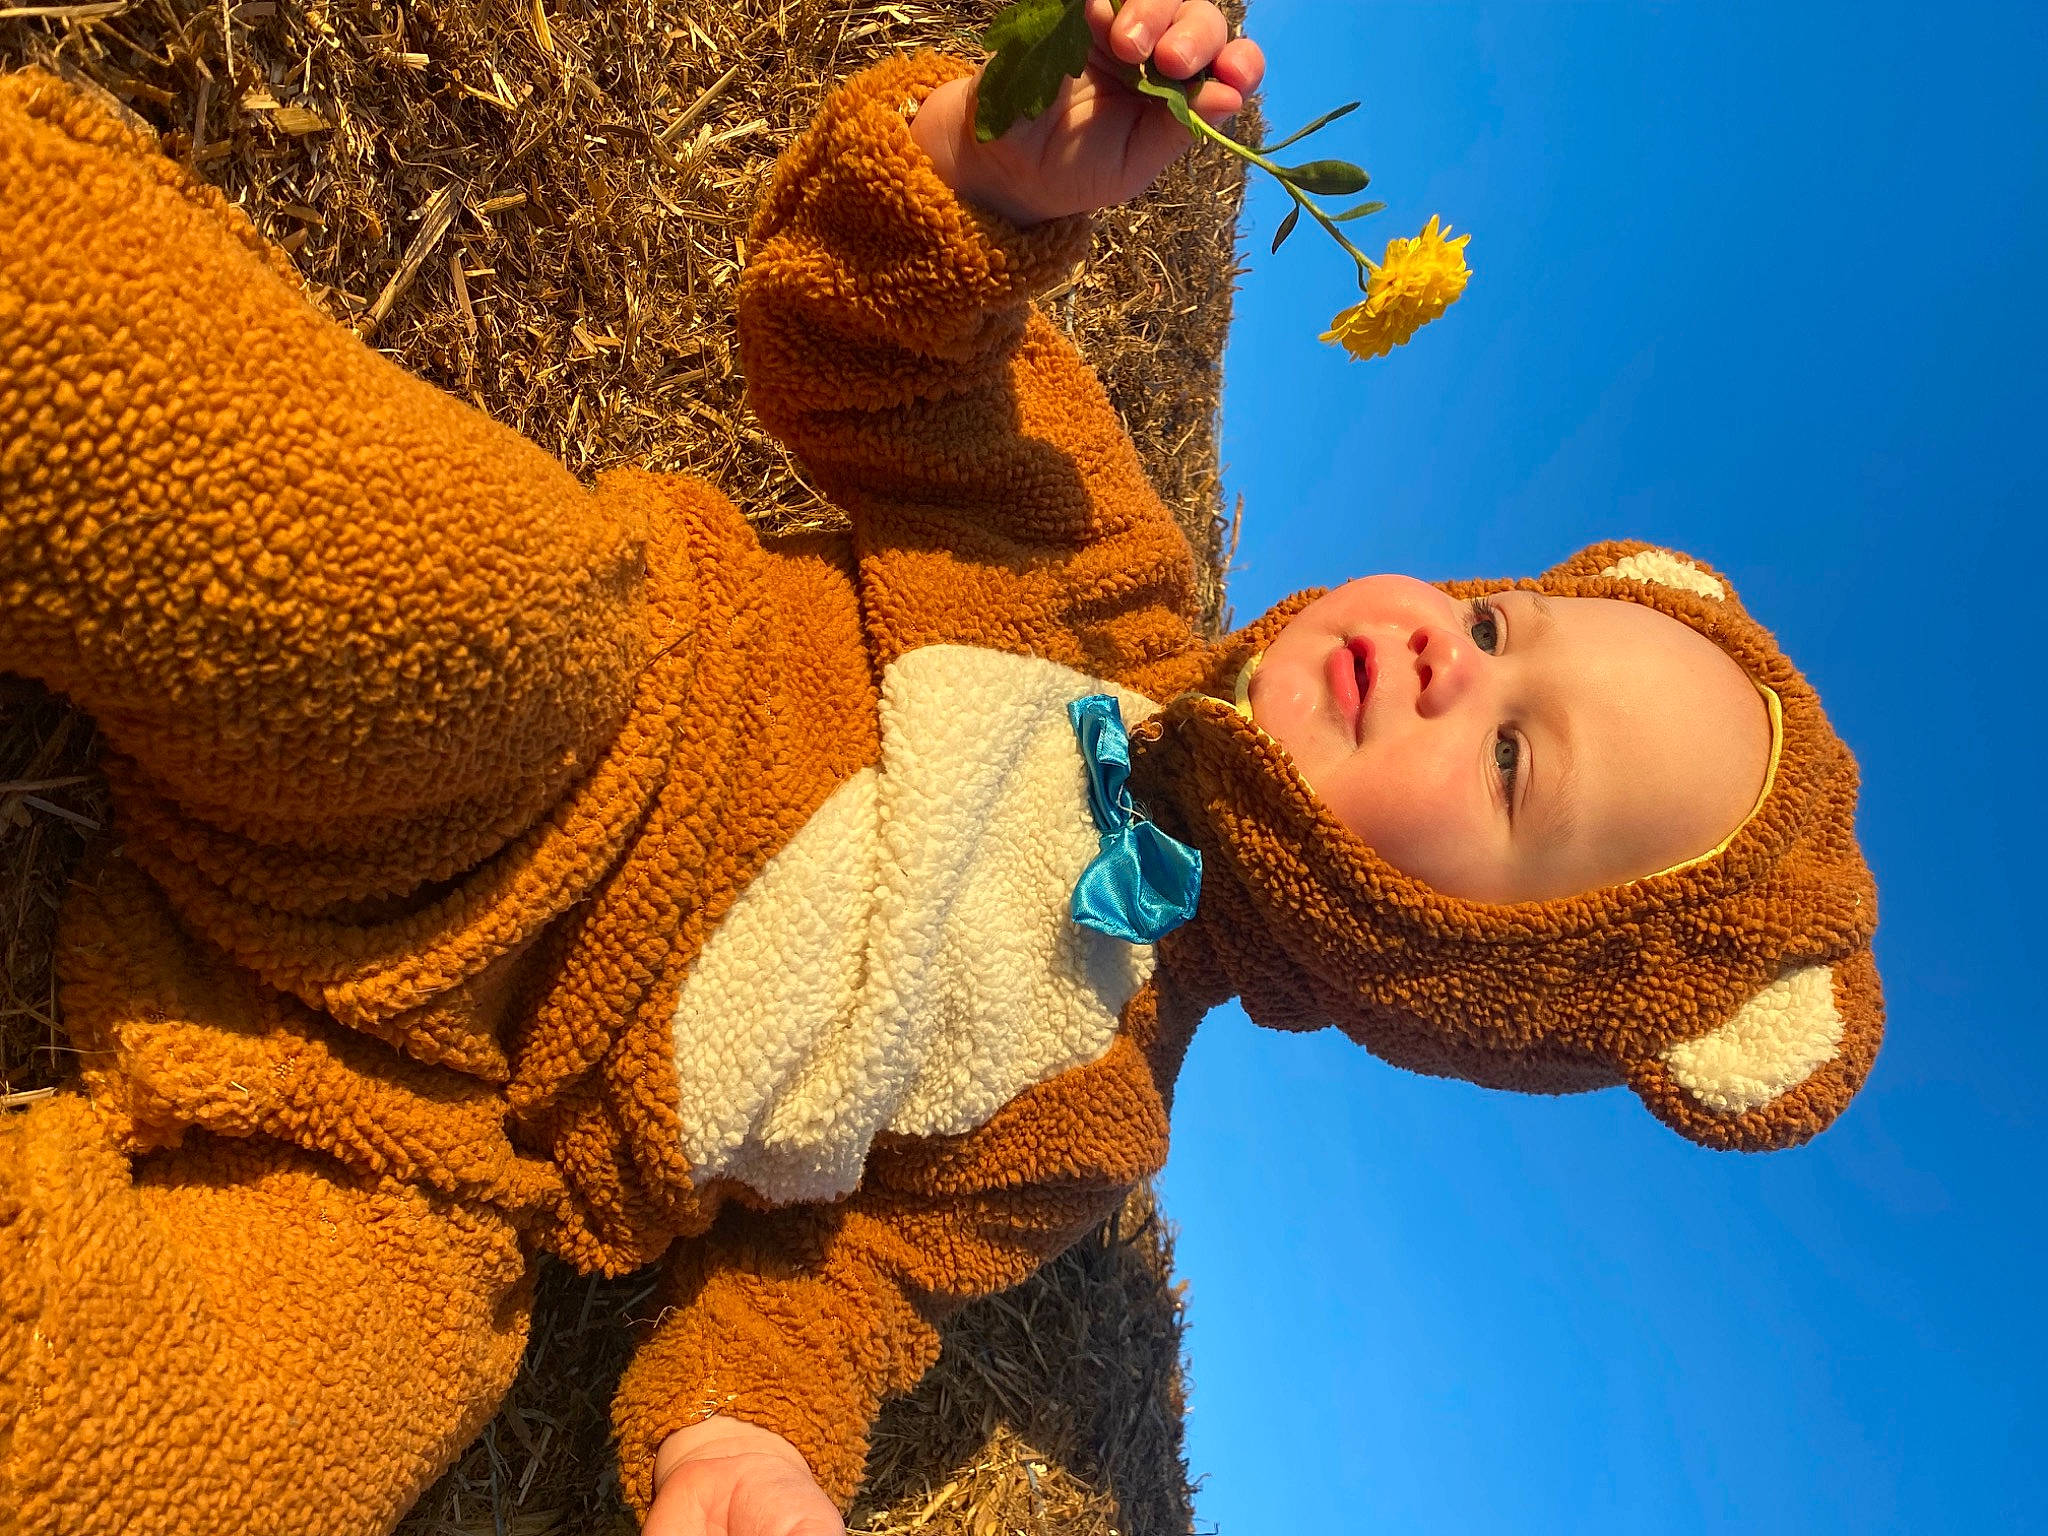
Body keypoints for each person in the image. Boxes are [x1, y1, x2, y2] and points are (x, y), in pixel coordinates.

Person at [0, 2, 1882, 1533]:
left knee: (234, 1427)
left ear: (1464, 974)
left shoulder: (1085, 1128)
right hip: (546, 751)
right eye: (1493, 628)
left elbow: (841, 1299)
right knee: (382, 564)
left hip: (447, 1157)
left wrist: (747, 1448)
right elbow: (860, 357)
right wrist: (982, 178)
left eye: (1514, 765)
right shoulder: (1095, 569)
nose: (1443, 663)